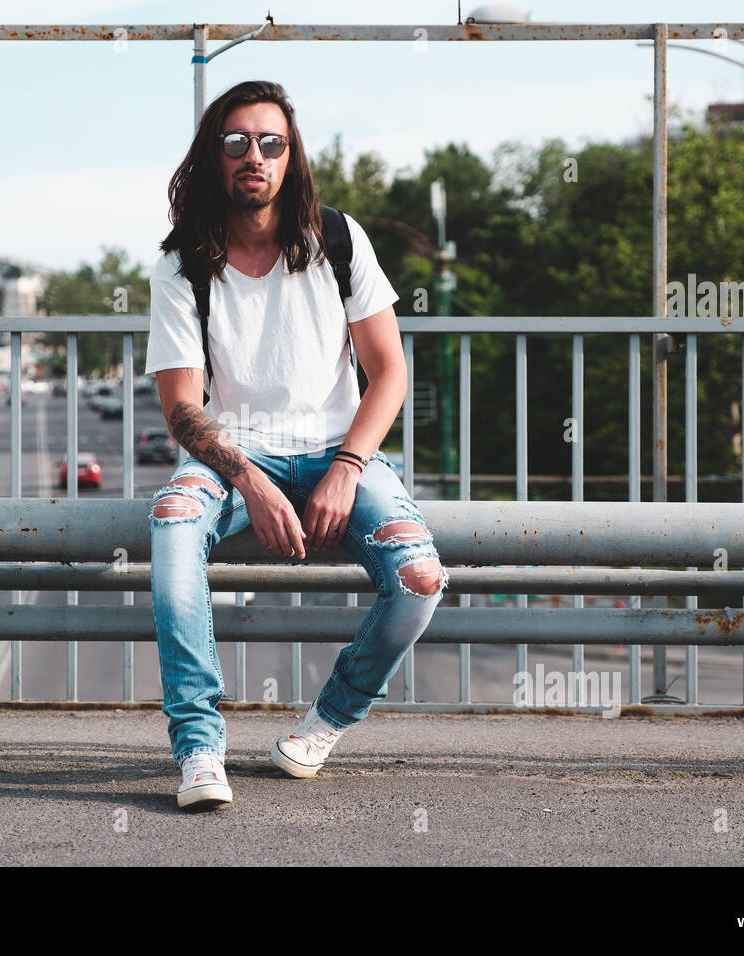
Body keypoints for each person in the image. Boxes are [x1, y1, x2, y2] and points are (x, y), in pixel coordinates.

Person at [144, 80, 449, 811]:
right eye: (237, 142)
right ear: (214, 156)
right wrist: (249, 480)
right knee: (172, 520)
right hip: (231, 457)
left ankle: (324, 724)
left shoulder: (336, 239)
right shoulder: (182, 264)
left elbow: (389, 373)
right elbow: (183, 410)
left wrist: (347, 468)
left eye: (271, 142)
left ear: (290, 156)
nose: (256, 155)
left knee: (421, 578)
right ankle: (198, 748)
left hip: (337, 450)